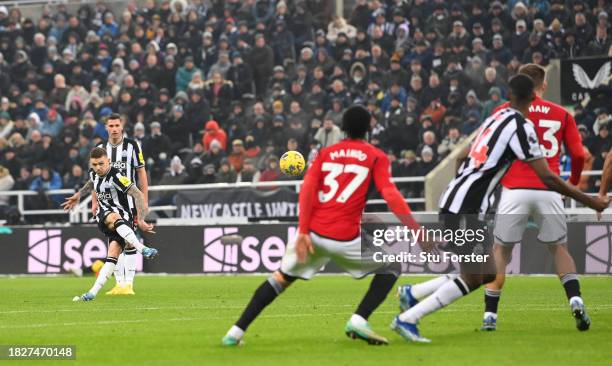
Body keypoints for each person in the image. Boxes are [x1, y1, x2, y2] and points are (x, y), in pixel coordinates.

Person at [392, 74, 608, 343]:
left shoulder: (494, 118)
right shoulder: (522, 125)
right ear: (533, 97)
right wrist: (591, 200)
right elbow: (548, 178)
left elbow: (461, 156)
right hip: (467, 206)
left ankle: (412, 294)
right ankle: (408, 319)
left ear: (509, 95)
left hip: (457, 199)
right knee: (473, 277)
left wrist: (469, 187)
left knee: (488, 272)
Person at [222, 105, 425, 346]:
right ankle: (359, 320)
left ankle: (234, 333)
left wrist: (303, 231)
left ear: (343, 129)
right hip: (345, 237)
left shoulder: (326, 153)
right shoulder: (376, 156)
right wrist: (416, 230)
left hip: (315, 234)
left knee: (280, 278)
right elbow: (391, 195)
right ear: (369, 128)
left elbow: (307, 190)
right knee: (391, 268)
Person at [480, 64, 589, 332]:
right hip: (549, 189)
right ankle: (575, 300)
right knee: (559, 248)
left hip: (514, 189)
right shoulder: (562, 114)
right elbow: (578, 155)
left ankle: (490, 318)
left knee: (501, 252)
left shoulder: (502, 112)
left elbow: (488, 150)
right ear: (542, 85)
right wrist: (572, 184)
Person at [62, 147, 158, 302]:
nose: (98, 167)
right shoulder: (94, 174)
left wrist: (140, 219)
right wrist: (79, 195)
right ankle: (143, 249)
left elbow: (137, 193)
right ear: (91, 164)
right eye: (95, 164)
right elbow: (91, 183)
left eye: (101, 164)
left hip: (124, 219)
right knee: (112, 216)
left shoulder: (117, 176)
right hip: (105, 215)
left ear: (108, 161)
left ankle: (92, 293)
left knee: (113, 253)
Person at [93, 113, 149, 296]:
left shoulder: (132, 145)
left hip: (129, 201)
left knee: (128, 240)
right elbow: (95, 177)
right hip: (107, 203)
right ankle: (119, 284)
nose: (114, 129)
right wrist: (94, 201)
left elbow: (141, 173)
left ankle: (128, 284)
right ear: (106, 128)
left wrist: (144, 200)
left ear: (122, 126)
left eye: (117, 125)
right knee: (114, 240)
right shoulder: (101, 149)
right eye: (111, 126)